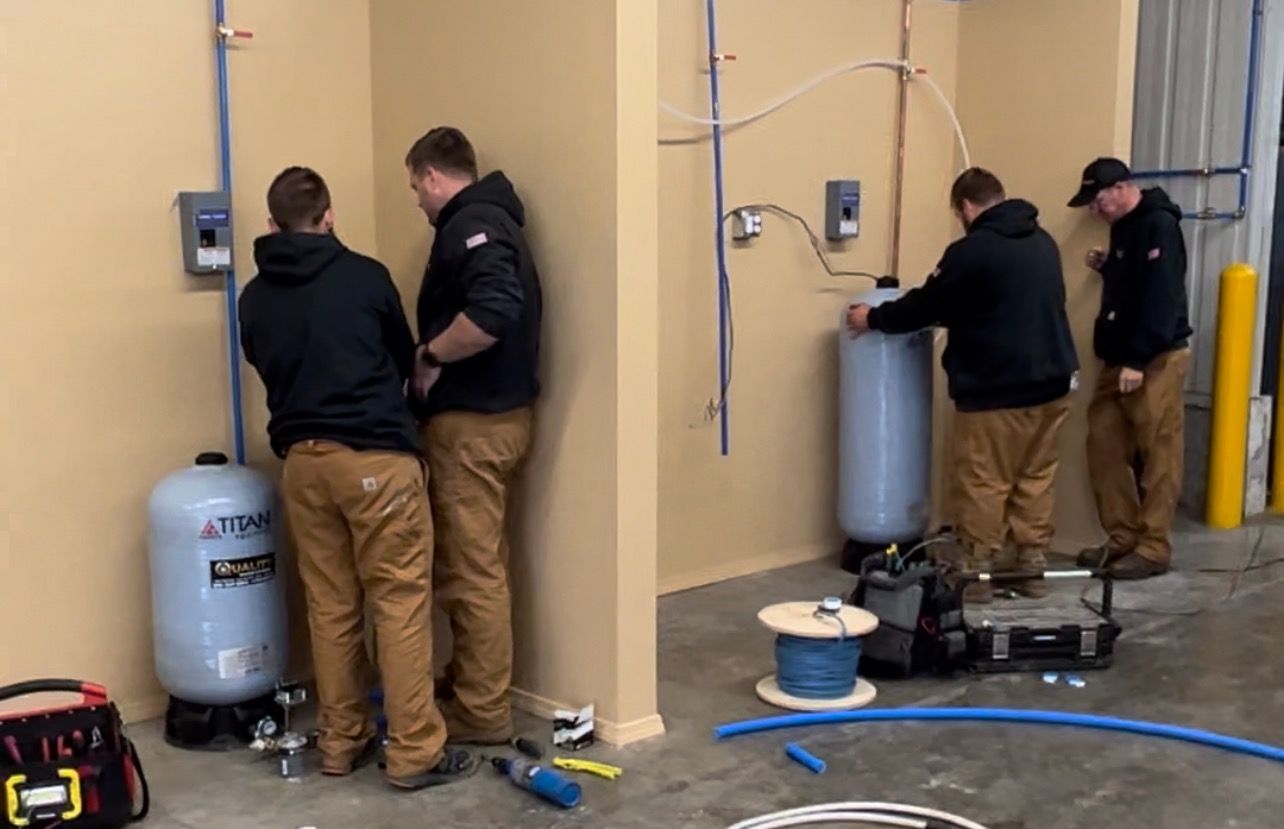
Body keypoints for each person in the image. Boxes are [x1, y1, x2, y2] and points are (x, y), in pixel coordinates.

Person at [238, 167, 476, 789]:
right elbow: (402, 358)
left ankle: (342, 742)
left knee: (331, 605)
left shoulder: (253, 298)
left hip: (304, 464)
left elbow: (264, 362)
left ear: (271, 225)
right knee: (398, 602)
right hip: (376, 462)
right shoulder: (365, 277)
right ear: (329, 216)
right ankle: (415, 751)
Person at [847, 168, 1079, 603]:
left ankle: (976, 574)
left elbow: (928, 304)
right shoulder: (1043, 242)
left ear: (966, 207)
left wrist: (873, 318)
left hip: (996, 389)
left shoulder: (971, 251)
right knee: (1035, 477)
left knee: (984, 481)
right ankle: (1030, 567)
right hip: (1052, 384)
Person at [404, 128, 542, 743]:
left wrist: (431, 354)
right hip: (501, 419)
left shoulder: (470, 225)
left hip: (473, 425)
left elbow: (493, 309)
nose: (417, 200)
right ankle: (469, 683)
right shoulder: (496, 218)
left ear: (433, 176)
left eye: (416, 186)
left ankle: (482, 712)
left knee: (471, 573)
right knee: (479, 565)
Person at [1068, 157, 1192, 580]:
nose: (1094, 211)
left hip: (1155, 359)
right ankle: (1121, 535)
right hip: (1118, 359)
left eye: (1098, 201)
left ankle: (1153, 546)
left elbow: (1161, 297)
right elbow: (1136, 282)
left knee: (1159, 452)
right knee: (1103, 445)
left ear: (1121, 188)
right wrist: (1110, 267)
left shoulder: (1159, 225)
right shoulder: (1124, 228)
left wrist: (1138, 360)